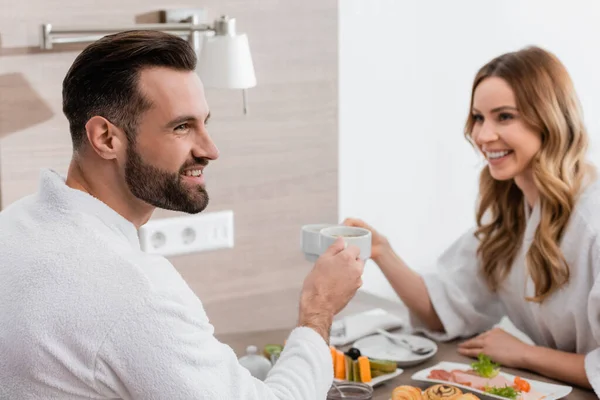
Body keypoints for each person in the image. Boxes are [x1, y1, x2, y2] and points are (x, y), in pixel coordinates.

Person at [0, 31, 365, 399]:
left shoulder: (13, 225)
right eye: (182, 126)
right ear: (107, 139)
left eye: (205, 122)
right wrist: (318, 310)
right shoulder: (134, 291)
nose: (210, 149)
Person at [345, 46, 600, 393]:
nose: (482, 135)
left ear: (550, 119)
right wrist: (382, 252)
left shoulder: (593, 220)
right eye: (479, 117)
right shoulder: (511, 213)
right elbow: (444, 310)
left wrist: (526, 354)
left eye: (504, 116)